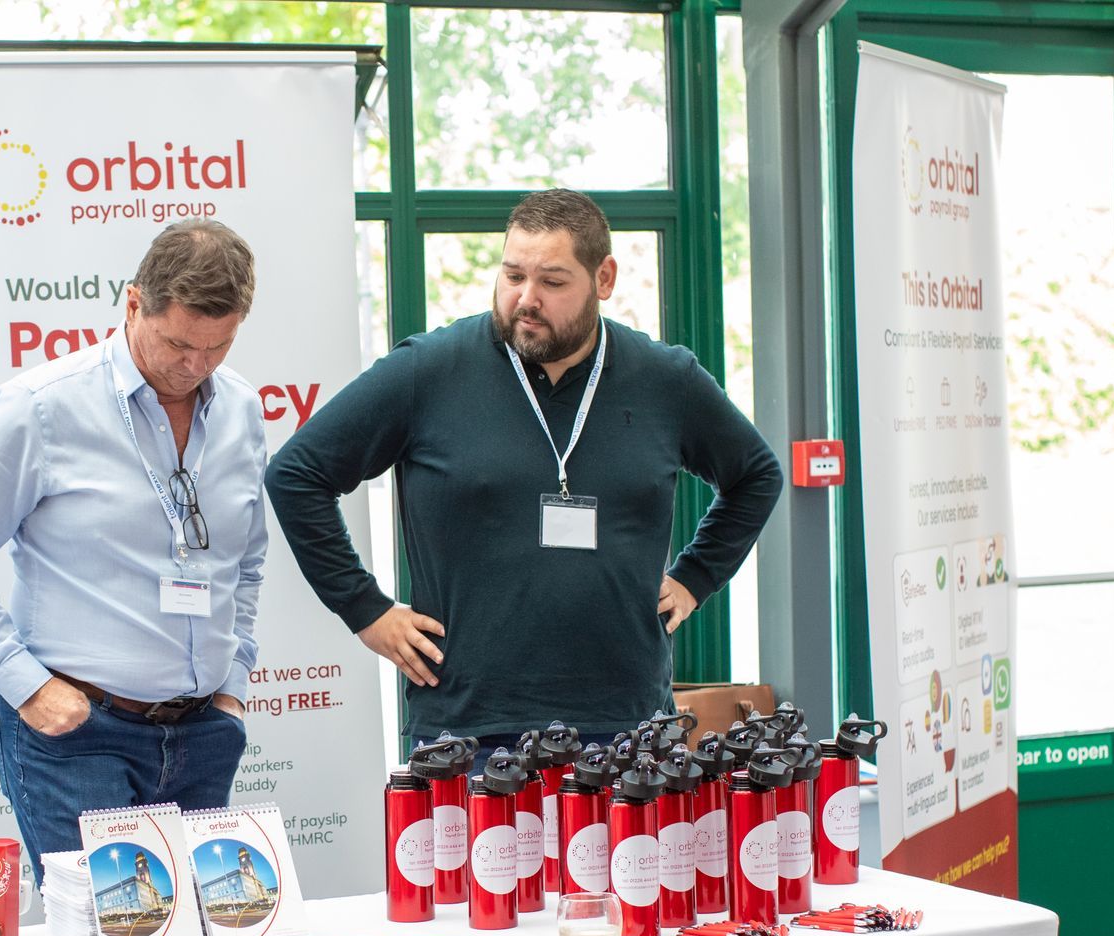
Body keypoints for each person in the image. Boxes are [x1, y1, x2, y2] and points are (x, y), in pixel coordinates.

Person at [266, 188, 782, 747]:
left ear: (603, 279)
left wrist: (695, 577)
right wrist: (366, 609)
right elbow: (297, 474)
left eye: (552, 282)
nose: (525, 299)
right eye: (513, 276)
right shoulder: (430, 369)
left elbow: (756, 475)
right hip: (469, 730)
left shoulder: (666, 380)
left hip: (626, 726)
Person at [0, 219, 266, 869]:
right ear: (133, 304)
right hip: (79, 735)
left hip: (205, 734)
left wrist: (233, 684)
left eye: (217, 348)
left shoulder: (240, 408)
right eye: (179, 344)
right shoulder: (42, 407)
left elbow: (245, 560)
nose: (195, 366)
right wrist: (24, 684)